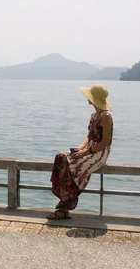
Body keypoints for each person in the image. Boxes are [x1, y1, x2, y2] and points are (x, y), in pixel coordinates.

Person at [47, 84, 114, 220]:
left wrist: (85, 153)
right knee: (61, 157)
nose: (87, 98)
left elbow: (105, 142)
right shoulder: (94, 114)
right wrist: (80, 148)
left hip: (99, 152)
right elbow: (89, 136)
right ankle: (65, 204)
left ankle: (63, 208)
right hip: (89, 149)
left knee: (73, 169)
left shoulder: (106, 116)